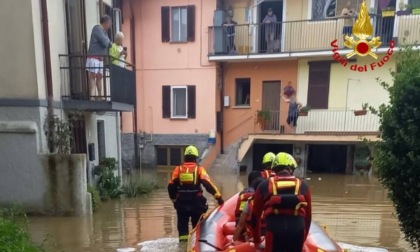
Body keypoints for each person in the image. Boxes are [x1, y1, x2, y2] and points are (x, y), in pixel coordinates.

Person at [251, 152, 312, 252]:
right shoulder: (303, 186)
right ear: (290, 168)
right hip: (297, 231)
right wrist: (303, 240)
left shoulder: (264, 185)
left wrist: (257, 241)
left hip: (274, 230)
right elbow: (308, 217)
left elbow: (255, 217)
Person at [168, 145, 224, 242]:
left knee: (183, 232)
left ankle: (183, 245)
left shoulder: (178, 169)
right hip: (197, 204)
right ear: (195, 158)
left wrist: (174, 201)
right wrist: (218, 198)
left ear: (185, 157)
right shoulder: (199, 169)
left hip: (181, 204)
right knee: (198, 229)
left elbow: (170, 187)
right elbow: (207, 184)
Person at [232, 171, 265, 243]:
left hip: (252, 237)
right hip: (267, 237)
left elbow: (240, 224)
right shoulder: (271, 202)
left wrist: (232, 242)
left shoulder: (248, 200)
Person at [86, 15, 113, 100]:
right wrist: (107, 42)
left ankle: (100, 95)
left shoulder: (104, 32)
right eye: (109, 23)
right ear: (106, 22)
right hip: (93, 57)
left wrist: (108, 42)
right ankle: (92, 96)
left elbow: (110, 43)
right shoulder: (97, 29)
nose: (110, 25)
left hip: (100, 58)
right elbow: (106, 43)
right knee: (92, 76)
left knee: (99, 76)